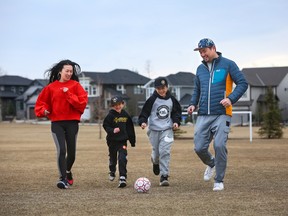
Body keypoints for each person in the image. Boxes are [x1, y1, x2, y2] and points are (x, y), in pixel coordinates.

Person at [187, 38, 248, 191]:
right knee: (199, 148)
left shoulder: (228, 64)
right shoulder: (200, 69)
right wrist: (193, 104)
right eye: (200, 52)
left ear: (213, 48)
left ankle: (219, 180)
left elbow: (243, 83)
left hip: (222, 113)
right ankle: (211, 163)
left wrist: (231, 98)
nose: (202, 54)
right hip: (203, 114)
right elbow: (197, 90)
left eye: (204, 50)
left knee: (219, 145)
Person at [34, 59, 88, 189]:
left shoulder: (75, 86)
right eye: (67, 71)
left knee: (72, 153)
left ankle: (68, 171)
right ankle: (63, 179)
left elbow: (82, 104)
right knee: (61, 150)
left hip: (72, 123)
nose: (69, 73)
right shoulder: (50, 88)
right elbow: (40, 104)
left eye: (71, 71)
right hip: (57, 123)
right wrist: (44, 111)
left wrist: (68, 94)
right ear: (60, 71)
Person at [138, 77, 182, 186]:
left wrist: (176, 122)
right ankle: (155, 162)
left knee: (165, 151)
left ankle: (164, 176)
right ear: (155, 89)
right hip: (154, 130)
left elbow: (176, 112)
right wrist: (143, 122)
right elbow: (144, 113)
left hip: (167, 129)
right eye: (159, 88)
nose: (161, 90)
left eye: (163, 88)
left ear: (167, 87)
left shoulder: (172, 99)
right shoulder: (152, 100)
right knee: (156, 153)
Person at [103, 96, 136, 188]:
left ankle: (122, 177)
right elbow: (105, 125)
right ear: (112, 106)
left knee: (122, 158)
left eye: (119, 104)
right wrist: (112, 130)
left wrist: (132, 141)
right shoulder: (110, 116)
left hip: (122, 141)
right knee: (113, 159)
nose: (117, 107)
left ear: (122, 104)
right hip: (112, 141)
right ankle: (112, 171)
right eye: (114, 105)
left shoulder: (126, 115)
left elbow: (130, 129)